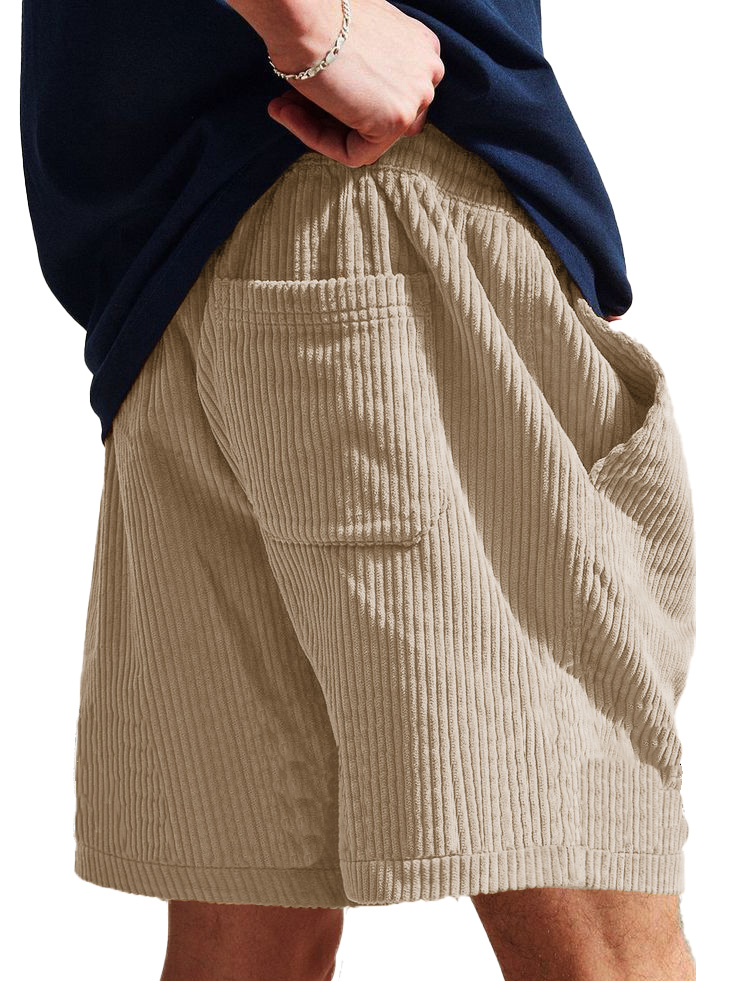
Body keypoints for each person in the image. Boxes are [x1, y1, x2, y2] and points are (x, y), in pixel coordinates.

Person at [19, 0, 697, 978]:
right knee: (593, 916)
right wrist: (312, 23)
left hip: (173, 267)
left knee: (245, 943)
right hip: (369, 200)